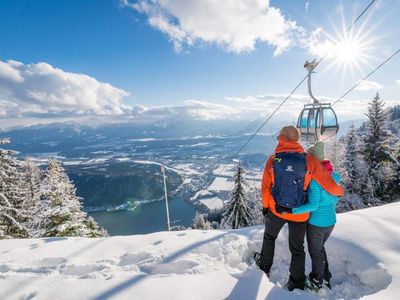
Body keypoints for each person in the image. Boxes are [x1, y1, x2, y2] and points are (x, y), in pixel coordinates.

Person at [254, 126, 344, 291]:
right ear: (297, 140)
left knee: (269, 237)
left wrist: (266, 207)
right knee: (297, 249)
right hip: (300, 213)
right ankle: (297, 282)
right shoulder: (308, 160)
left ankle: (264, 268)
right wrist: (340, 192)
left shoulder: (273, 160)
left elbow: (265, 187)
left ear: (281, 139)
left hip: (277, 209)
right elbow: (327, 182)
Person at [292, 141, 341, 291]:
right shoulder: (335, 175)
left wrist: (294, 210)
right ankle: (325, 275)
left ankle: (317, 281)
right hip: (330, 222)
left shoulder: (315, 180)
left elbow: (313, 205)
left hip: (316, 224)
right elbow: (337, 196)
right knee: (320, 249)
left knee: (316, 253)